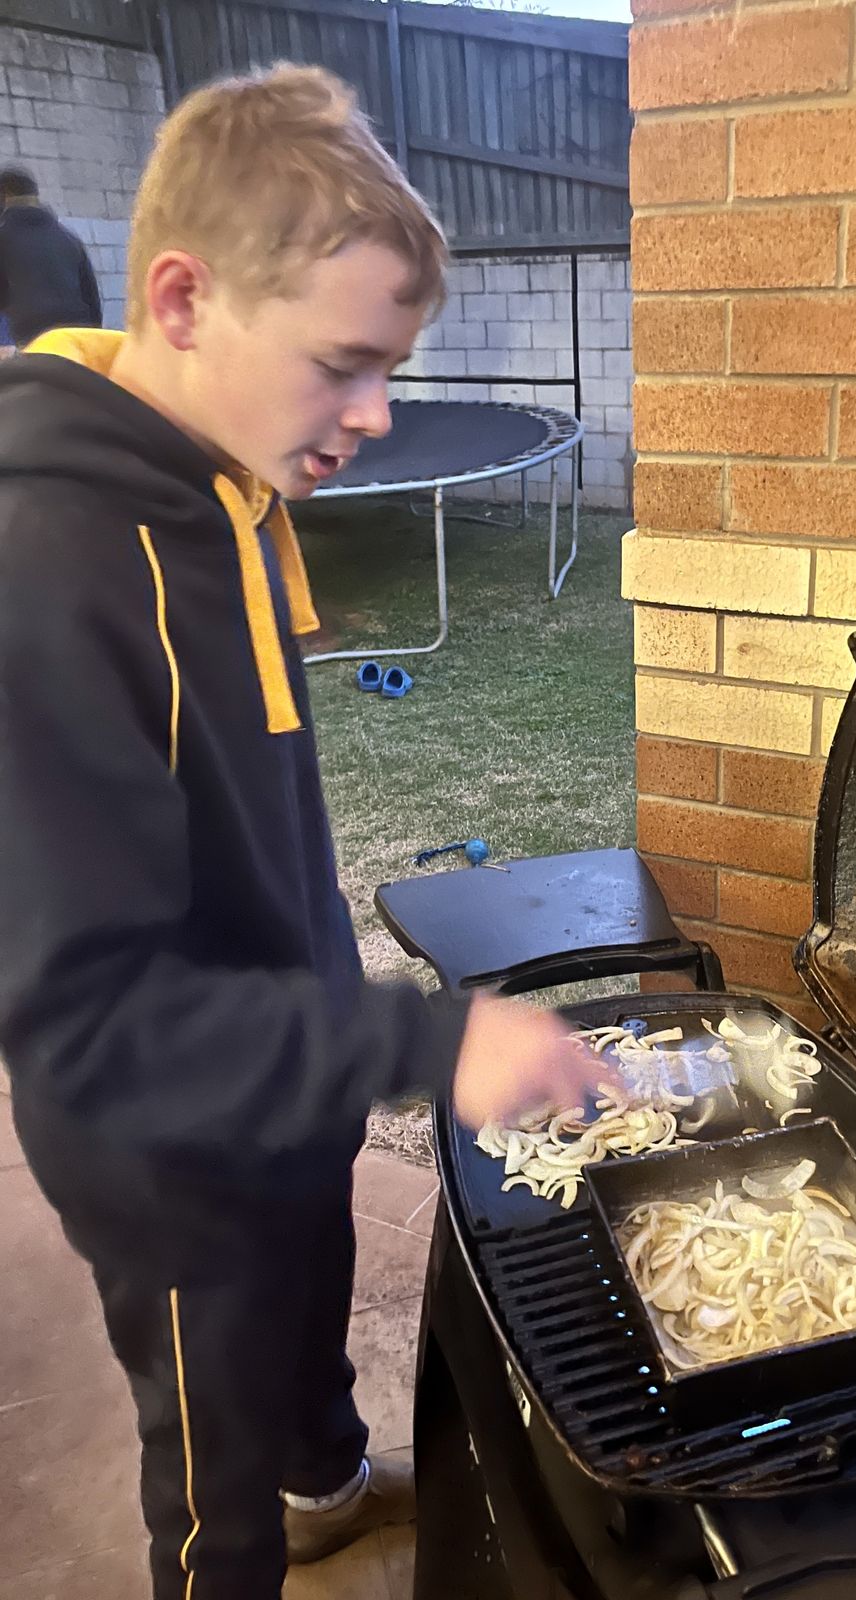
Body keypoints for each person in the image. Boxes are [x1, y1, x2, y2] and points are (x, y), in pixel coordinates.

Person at [0, 65, 596, 1599]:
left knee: (311, 1296)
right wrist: (425, 1042)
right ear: (183, 300)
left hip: (284, 1057)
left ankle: (326, 1483)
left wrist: (338, 1029)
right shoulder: (48, 565)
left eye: (389, 368)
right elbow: (92, 1026)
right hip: (168, 1152)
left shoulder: (229, 490)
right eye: (344, 365)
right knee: (212, 1472)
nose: (376, 415)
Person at [0, 166, 103, 346]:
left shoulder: (4, 239)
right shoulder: (68, 238)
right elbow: (92, 301)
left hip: (29, 344)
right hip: (76, 340)